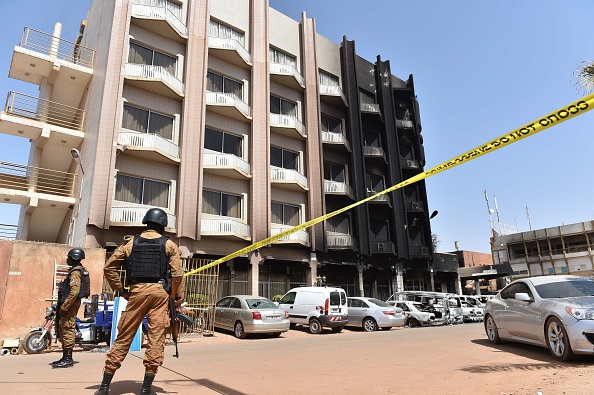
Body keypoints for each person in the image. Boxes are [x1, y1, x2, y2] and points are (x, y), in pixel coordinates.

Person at [95, 208, 184, 395]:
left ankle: (104, 387)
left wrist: (121, 290)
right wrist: (174, 296)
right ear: (162, 225)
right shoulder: (170, 245)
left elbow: (109, 268)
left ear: (146, 222)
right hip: (160, 294)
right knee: (156, 339)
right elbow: (177, 275)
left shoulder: (130, 243)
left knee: (124, 336)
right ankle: (145, 388)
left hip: (136, 292)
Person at [53, 248, 90, 368]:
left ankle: (68, 358)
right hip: (69, 303)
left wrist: (65, 307)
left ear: (73, 258)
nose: (67, 259)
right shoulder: (75, 271)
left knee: (68, 327)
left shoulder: (75, 273)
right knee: (64, 327)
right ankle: (65, 357)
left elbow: (74, 292)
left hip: (70, 304)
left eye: (69, 257)